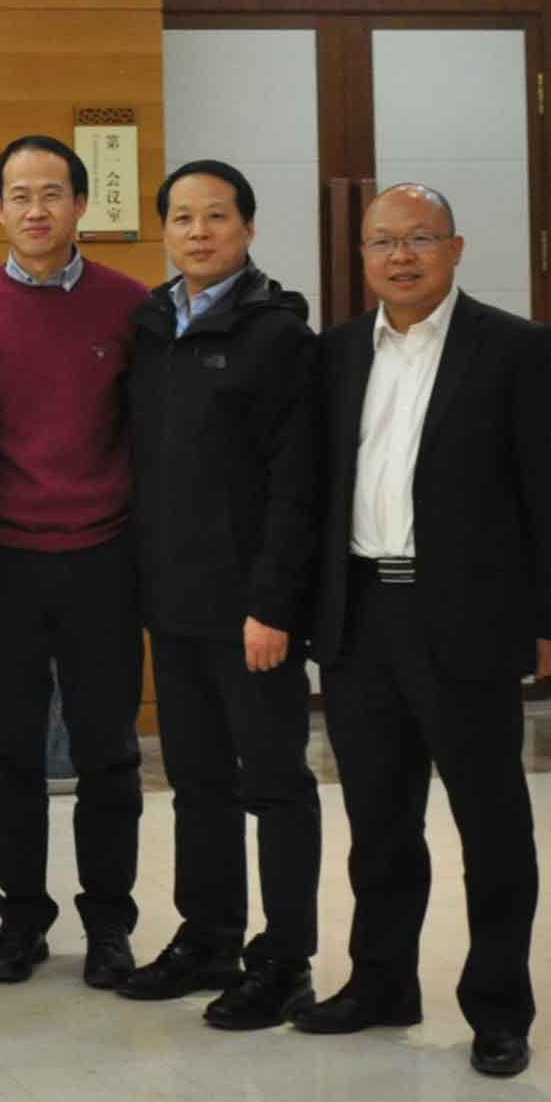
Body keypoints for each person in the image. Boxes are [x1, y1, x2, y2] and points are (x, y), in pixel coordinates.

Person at [296, 184, 551, 1080]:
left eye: (419, 238)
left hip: (466, 617)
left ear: (454, 248)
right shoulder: (338, 351)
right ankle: (381, 981)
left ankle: (498, 1007)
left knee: (490, 821)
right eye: (382, 241)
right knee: (378, 819)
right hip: (359, 614)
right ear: (362, 257)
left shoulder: (515, 348)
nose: (400, 256)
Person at [0, 134, 150, 989]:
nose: (35, 209)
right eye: (19, 195)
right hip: (3, 564)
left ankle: (109, 924)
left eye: (51, 193)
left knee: (109, 753)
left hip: (103, 557)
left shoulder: (129, 304)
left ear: (80, 204)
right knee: (8, 752)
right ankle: (19, 918)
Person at [120, 160, 323, 1030]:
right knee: (196, 782)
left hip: (253, 614)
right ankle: (207, 935)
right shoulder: (149, 325)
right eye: (181, 217)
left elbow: (296, 485)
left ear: (247, 227)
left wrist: (272, 604)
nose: (197, 231)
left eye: (215, 216)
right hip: (173, 603)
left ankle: (284, 960)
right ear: (163, 229)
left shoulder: (278, 336)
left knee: (273, 784)